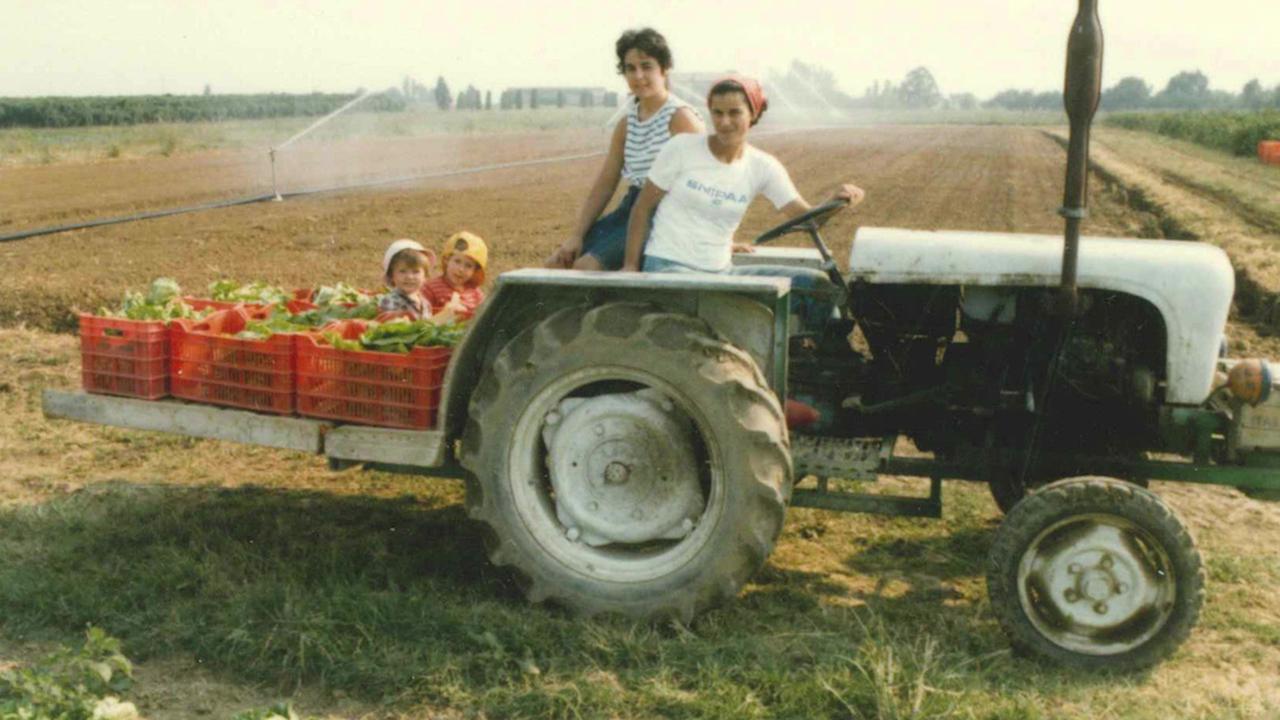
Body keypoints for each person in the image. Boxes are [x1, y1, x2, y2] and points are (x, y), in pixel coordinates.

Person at [621, 75, 865, 275]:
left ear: (753, 114)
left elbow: (807, 219)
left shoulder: (763, 166)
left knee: (815, 284)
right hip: (670, 266)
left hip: (722, 271)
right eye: (717, 113)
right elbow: (642, 208)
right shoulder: (682, 148)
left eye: (734, 112)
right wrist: (631, 266)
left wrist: (838, 201)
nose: (724, 122)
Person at [545, 28, 704, 271]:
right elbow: (606, 183)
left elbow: (709, 180)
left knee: (587, 267)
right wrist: (576, 235)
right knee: (557, 264)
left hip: (665, 215)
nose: (638, 75)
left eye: (647, 66)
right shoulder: (627, 123)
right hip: (630, 209)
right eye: (630, 68)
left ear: (664, 68)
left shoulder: (681, 118)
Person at [422, 231, 488, 320]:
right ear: (447, 260)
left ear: (475, 271)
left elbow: (484, 318)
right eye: (457, 261)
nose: (461, 269)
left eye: (468, 266)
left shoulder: (476, 294)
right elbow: (423, 318)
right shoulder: (431, 288)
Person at [378, 239, 436, 319]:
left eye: (415, 272)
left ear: (425, 276)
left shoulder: (425, 304)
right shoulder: (390, 301)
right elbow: (389, 326)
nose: (409, 277)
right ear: (391, 276)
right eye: (402, 271)